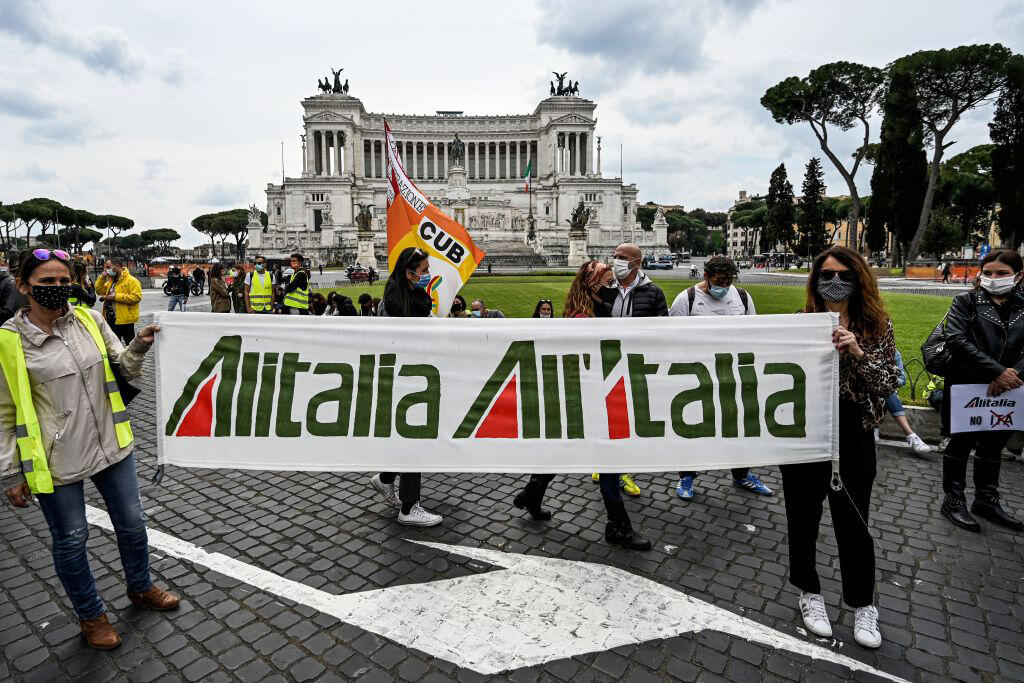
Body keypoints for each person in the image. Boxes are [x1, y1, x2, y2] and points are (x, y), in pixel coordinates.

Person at [1, 248, 179, 650]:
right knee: (71, 538)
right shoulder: (8, 341)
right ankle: (91, 615)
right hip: (56, 458)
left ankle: (140, 586)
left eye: (64, 281)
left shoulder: (90, 319)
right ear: (24, 286)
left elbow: (123, 364)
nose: (58, 288)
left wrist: (140, 345)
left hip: (112, 443)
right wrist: (10, 472)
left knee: (132, 524)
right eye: (47, 282)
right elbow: (3, 411)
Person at [781, 245, 898, 650]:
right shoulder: (800, 321)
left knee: (854, 520)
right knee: (802, 517)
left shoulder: (877, 326)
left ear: (858, 279)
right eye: (826, 274)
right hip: (806, 430)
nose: (834, 282)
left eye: (844, 275)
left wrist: (857, 351)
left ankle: (863, 603)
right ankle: (809, 591)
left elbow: (888, 382)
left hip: (853, 431)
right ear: (815, 281)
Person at [513, 260, 651, 551]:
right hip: (591, 395)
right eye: (608, 281)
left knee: (566, 450)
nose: (613, 286)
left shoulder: (594, 307)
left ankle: (532, 494)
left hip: (593, 393)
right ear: (593, 283)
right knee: (609, 462)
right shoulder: (583, 315)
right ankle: (619, 526)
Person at [669, 255, 773, 500]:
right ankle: (686, 476)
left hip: (733, 374)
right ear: (706, 276)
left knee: (738, 427)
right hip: (697, 376)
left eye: (729, 280)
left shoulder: (742, 297)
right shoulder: (686, 298)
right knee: (693, 427)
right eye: (719, 280)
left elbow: (754, 334)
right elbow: (672, 338)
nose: (724, 285)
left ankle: (742, 474)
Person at [940, 249, 1024, 532]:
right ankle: (953, 500)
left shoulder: (1022, 305)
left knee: (994, 445)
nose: (993, 278)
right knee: (961, 443)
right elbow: (956, 339)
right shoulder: (966, 302)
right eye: (987, 272)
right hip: (968, 384)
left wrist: (1010, 375)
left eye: (1002, 273)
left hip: (1008, 388)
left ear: (1018, 275)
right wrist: (997, 371)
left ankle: (986, 500)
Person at [368, 248, 442, 527]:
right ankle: (409, 508)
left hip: (415, 372)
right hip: (404, 375)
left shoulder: (411, 293)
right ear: (409, 272)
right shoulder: (395, 301)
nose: (427, 275)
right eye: (423, 271)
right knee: (415, 438)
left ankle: (386, 477)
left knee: (411, 435)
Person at [593, 242, 668, 498]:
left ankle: (621, 470)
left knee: (629, 419)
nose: (616, 260)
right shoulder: (605, 290)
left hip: (637, 366)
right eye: (615, 255)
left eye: (622, 257)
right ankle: (605, 464)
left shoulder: (653, 293)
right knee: (607, 418)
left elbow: (663, 330)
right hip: (607, 364)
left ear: (636, 263)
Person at [875, 350, 932, 454]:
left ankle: (911, 436)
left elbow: (902, 379)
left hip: (886, 390)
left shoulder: (893, 352)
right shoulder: (863, 349)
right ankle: (910, 436)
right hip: (865, 392)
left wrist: (889, 381)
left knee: (889, 393)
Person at [94, 259, 141, 346]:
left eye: (108, 267)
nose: (106, 270)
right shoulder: (111, 281)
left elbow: (136, 297)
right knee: (114, 346)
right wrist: (102, 278)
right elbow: (99, 290)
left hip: (125, 320)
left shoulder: (132, 280)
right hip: (111, 320)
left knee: (130, 346)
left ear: (116, 266)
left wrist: (116, 297)